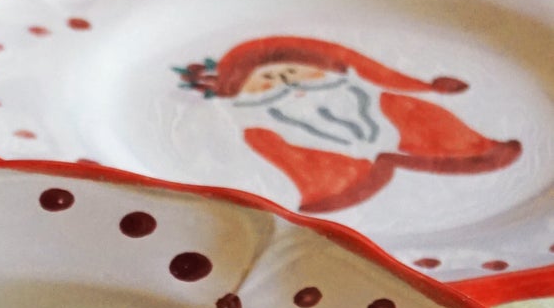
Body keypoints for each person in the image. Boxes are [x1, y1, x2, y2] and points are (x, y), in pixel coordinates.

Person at [175, 34, 520, 214]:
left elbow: (396, 84)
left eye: (294, 71)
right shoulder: (262, 130)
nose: (289, 83)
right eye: (267, 81)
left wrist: (429, 88)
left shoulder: (378, 98)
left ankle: (476, 151)